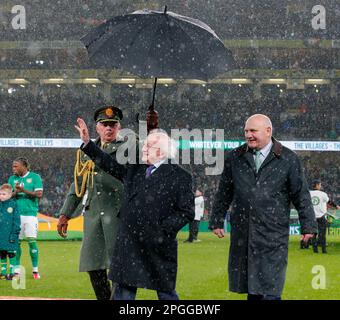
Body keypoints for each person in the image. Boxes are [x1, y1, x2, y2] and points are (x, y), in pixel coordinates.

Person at [75, 117, 194, 300]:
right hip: (129, 243)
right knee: (123, 292)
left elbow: (186, 212)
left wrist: (162, 230)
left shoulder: (180, 176)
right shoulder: (135, 169)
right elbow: (110, 165)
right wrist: (87, 144)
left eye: (148, 146)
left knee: (166, 293)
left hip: (158, 245)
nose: (143, 149)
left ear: (161, 152)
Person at [209, 114, 317, 301]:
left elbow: (301, 195)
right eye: (246, 131)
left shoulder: (288, 158)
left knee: (271, 289)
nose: (248, 135)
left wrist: (308, 226)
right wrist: (217, 218)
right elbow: (224, 191)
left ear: (268, 131)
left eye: (253, 131)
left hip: (273, 234)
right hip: (244, 233)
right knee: (253, 290)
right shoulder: (235, 156)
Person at [57, 106, 125, 300]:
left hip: (118, 214)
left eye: (113, 124)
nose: (109, 128)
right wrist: (65, 214)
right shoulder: (85, 151)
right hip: (94, 216)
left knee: (119, 269)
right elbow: (78, 184)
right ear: (97, 127)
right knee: (93, 266)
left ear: (119, 127)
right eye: (105, 124)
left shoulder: (127, 148)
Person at [8, 157, 43, 280]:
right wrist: (15, 193)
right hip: (16, 216)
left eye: (16, 166)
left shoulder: (35, 177)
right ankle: (16, 270)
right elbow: (8, 195)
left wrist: (22, 190)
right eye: (13, 166)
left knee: (31, 242)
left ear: (24, 166)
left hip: (30, 215)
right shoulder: (12, 179)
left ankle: (35, 270)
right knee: (16, 244)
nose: (13, 168)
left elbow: (39, 194)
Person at [0, 184, 20, 280]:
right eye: (0, 194)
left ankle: (12, 273)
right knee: (2, 254)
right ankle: (3, 273)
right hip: (1, 235)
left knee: (11, 254)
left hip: (10, 235)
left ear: (9, 195)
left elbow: (17, 221)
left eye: (3, 194)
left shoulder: (13, 204)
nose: (1, 196)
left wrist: (14, 234)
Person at [310, 179, 329, 254]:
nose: (320, 186)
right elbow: (329, 202)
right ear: (317, 185)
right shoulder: (323, 194)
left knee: (314, 234)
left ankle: (315, 251)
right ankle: (324, 250)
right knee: (323, 234)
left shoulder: (309, 193)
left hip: (312, 217)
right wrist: (336, 206)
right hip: (321, 217)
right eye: (320, 184)